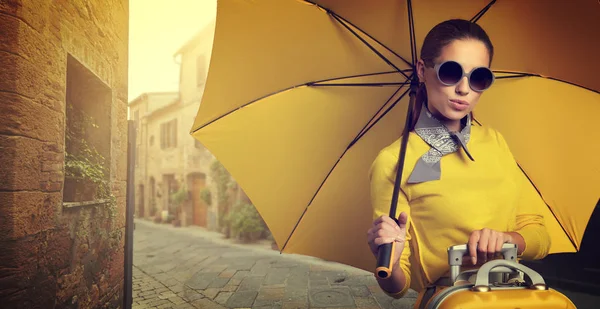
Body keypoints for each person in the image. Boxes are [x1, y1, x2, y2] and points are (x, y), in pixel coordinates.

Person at [366, 19, 551, 299]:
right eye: (451, 72)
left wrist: (507, 240)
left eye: (478, 78)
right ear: (422, 71)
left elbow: (540, 235)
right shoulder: (393, 161)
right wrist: (389, 261)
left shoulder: (495, 141)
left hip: (514, 297)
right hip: (450, 299)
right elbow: (396, 288)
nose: (464, 89)